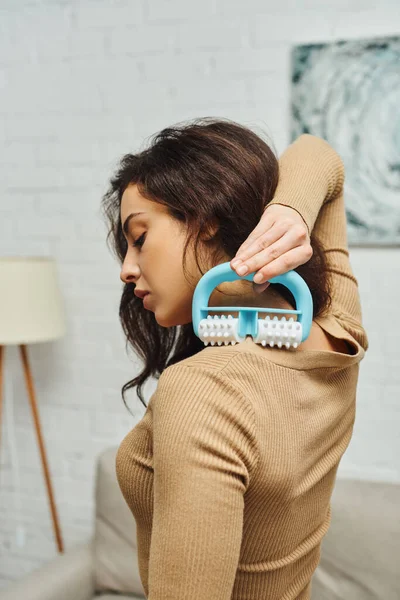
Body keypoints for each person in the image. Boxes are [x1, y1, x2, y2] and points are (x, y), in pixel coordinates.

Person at [102, 118, 368, 600]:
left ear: (206, 220)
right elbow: (319, 154)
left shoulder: (204, 389)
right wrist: (290, 213)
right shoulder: (338, 332)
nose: (126, 268)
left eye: (138, 237)